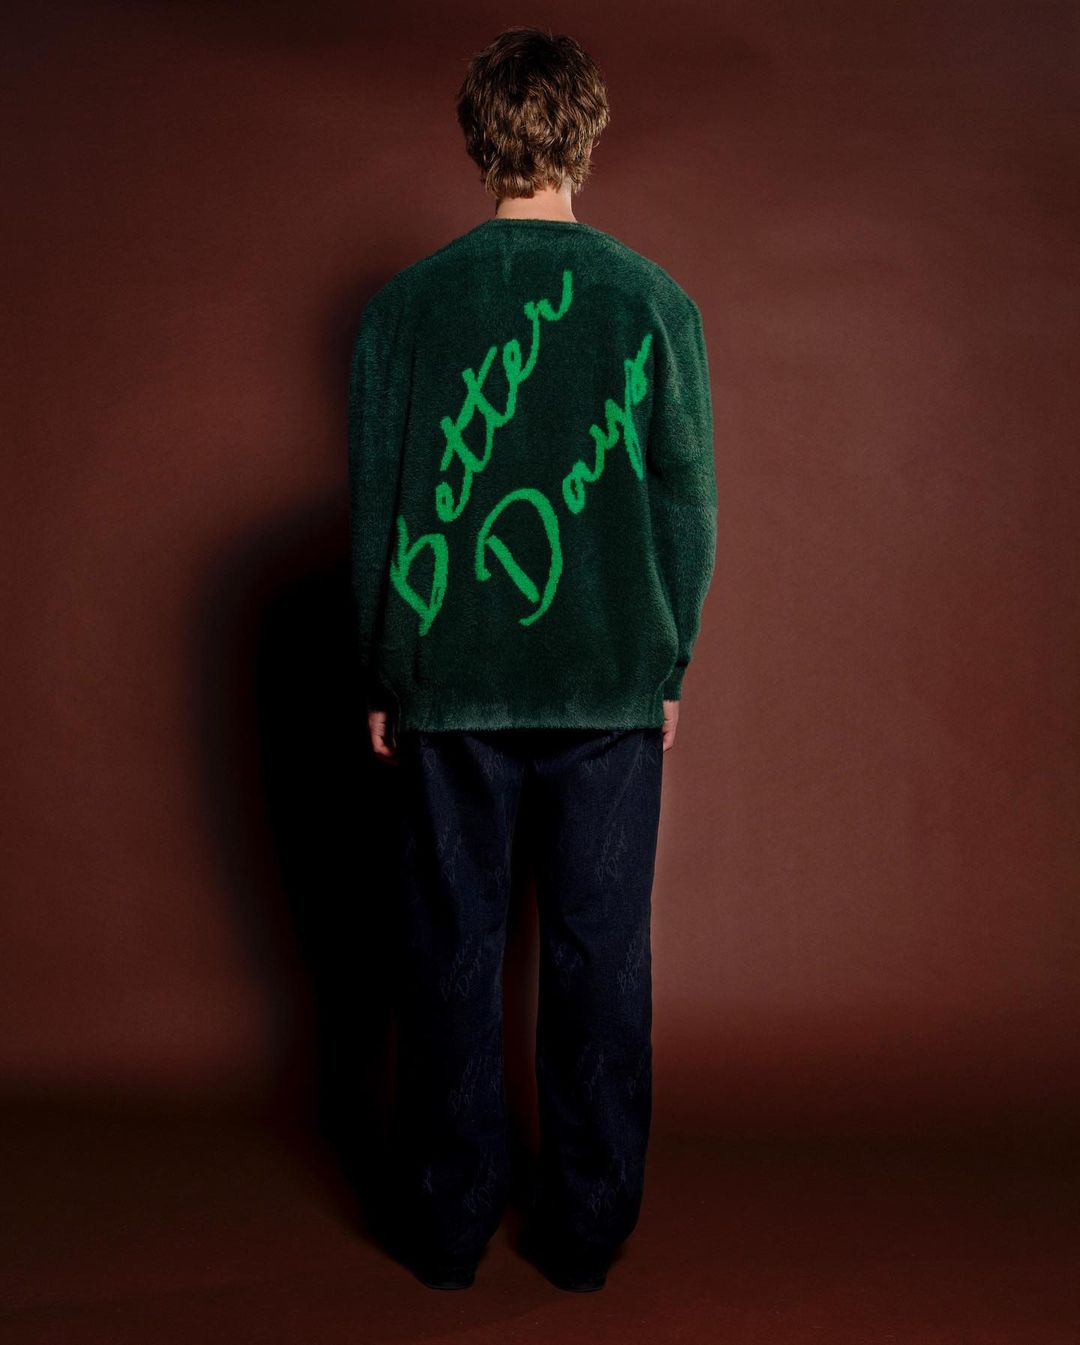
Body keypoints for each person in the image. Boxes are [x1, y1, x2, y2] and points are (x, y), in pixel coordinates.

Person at [347, 26, 717, 1293]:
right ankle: (588, 1228)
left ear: (479, 136)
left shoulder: (404, 311)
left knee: (449, 952)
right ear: (587, 134)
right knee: (601, 955)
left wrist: (387, 668)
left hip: (451, 683)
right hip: (610, 685)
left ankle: (448, 1226)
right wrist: (667, 664)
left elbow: (380, 510)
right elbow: (687, 509)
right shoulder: (654, 302)